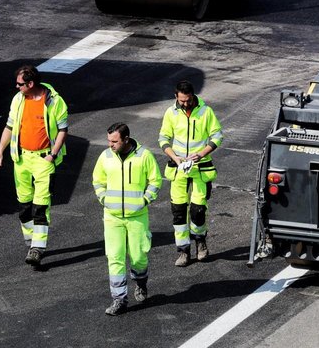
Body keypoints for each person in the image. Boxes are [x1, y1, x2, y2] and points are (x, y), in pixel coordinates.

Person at [0, 65, 68, 268]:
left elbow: (62, 129)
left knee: (41, 206)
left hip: (44, 161)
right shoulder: (18, 100)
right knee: (25, 205)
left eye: (20, 84)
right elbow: (9, 126)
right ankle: (30, 241)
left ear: (31, 84)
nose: (16, 87)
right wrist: (0, 151)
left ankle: (38, 248)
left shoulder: (53, 101)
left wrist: (52, 155)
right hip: (21, 159)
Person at [92, 122, 162, 316]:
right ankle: (119, 299)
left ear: (126, 139)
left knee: (139, 257)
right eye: (109, 141)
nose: (110, 145)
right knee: (115, 258)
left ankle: (140, 282)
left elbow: (155, 180)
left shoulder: (144, 156)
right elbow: (97, 180)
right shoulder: (105, 157)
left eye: (114, 141)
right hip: (112, 217)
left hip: (137, 217)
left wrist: (145, 200)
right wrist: (104, 199)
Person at [158, 80, 223, 267]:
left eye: (187, 100)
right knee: (178, 213)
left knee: (198, 210)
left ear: (193, 96)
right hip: (178, 169)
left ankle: (200, 242)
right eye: (181, 100)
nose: (184, 104)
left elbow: (217, 136)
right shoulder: (171, 112)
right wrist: (175, 157)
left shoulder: (205, 112)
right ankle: (183, 251)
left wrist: (201, 154)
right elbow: (163, 138)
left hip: (200, 169)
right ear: (176, 96)